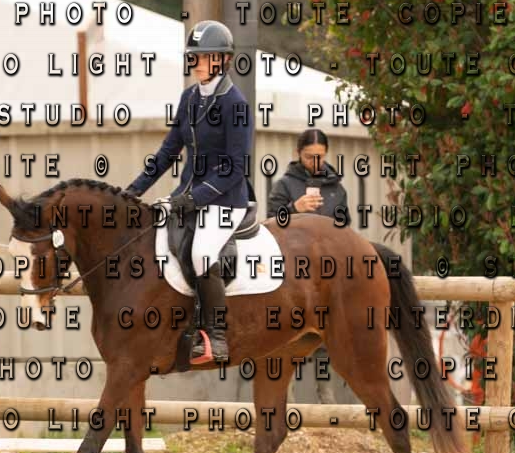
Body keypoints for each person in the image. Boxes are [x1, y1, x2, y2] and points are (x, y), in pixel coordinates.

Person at [125, 20, 253, 365]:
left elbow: (234, 167)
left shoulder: (236, 104)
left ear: (223, 60)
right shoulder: (190, 98)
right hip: (188, 195)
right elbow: (169, 151)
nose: (197, 63)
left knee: (202, 254)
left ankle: (217, 336)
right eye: (194, 57)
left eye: (204, 57)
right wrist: (134, 190)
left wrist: (194, 198)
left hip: (225, 200)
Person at [267, 129, 350, 403]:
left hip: (326, 273)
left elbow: (345, 230)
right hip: (292, 274)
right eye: (309, 156)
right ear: (298, 154)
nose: (315, 162)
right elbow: (269, 224)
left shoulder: (337, 189)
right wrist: (294, 208)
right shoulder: (284, 185)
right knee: (287, 334)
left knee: (326, 334)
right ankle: (286, 394)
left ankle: (326, 394)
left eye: (320, 157)